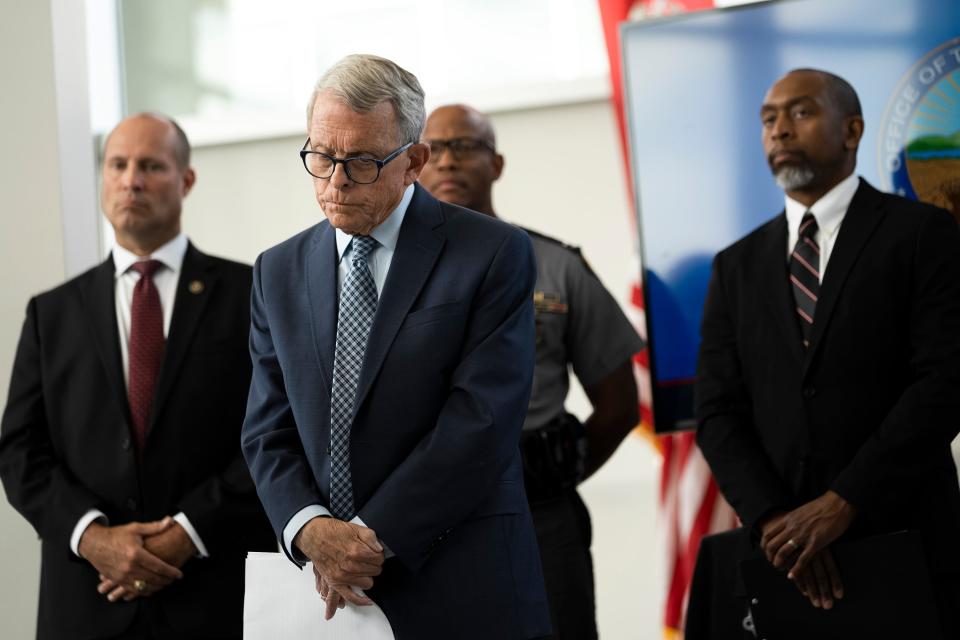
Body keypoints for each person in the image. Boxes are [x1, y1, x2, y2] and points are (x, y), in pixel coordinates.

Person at [240, 55, 551, 640]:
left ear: (413, 161)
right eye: (321, 157)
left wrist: (367, 538)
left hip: (462, 580)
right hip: (322, 592)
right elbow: (266, 428)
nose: (334, 181)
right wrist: (311, 531)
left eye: (360, 161)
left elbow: (480, 420)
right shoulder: (275, 271)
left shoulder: (491, 252)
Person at [694, 68, 960, 635]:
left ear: (853, 130)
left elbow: (945, 381)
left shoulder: (922, 233)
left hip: (905, 541)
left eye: (801, 112)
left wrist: (842, 503)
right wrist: (776, 522)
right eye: (768, 120)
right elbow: (717, 412)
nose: (780, 131)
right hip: (784, 561)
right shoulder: (734, 266)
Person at [0, 113, 276, 640]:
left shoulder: (252, 294)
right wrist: (93, 538)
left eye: (151, 165)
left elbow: (273, 434)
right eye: (118, 165)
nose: (132, 180)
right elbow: (19, 451)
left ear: (186, 180)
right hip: (86, 599)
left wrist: (187, 532)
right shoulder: (51, 313)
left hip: (214, 595)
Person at [419, 104, 643, 639]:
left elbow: (619, 404)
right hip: (425, 520)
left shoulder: (557, 266)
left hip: (538, 512)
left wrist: (556, 467)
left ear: (496, 164)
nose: (449, 160)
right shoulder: (381, 274)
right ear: (413, 164)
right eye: (436, 148)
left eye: (467, 146)